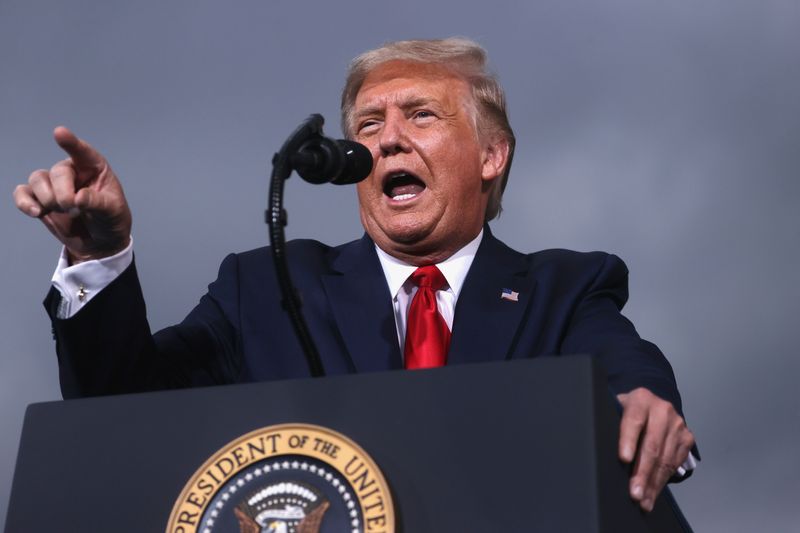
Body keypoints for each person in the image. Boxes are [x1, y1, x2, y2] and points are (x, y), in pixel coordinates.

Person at [13, 37, 695, 512]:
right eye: (368, 123)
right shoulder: (268, 290)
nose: (387, 138)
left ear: (492, 154)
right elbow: (123, 407)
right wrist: (99, 253)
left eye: (420, 115)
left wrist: (644, 404)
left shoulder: (564, 289)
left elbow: (627, 367)